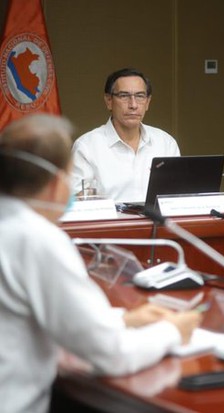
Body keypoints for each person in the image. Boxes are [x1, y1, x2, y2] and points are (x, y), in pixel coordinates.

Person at [0, 114, 201, 413]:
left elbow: (37, 318)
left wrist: (123, 319)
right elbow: (111, 355)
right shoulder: (37, 239)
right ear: (57, 183)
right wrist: (175, 330)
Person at [72, 68, 180, 202]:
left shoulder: (165, 143)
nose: (133, 105)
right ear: (109, 101)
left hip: (157, 222)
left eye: (140, 96)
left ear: (148, 102)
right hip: (110, 222)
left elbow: (176, 195)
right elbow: (78, 202)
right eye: (124, 96)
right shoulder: (87, 146)